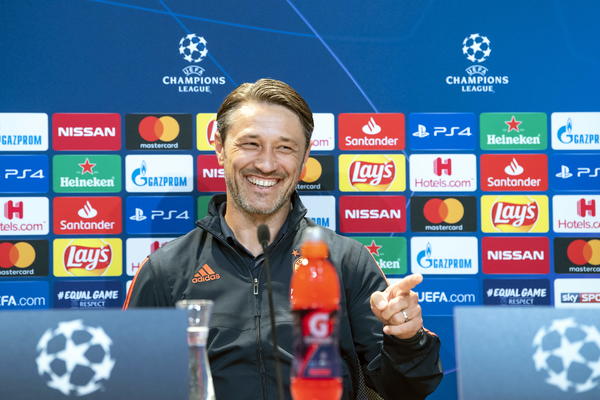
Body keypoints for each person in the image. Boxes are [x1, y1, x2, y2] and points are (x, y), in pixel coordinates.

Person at [124, 78, 443, 399]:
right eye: (250, 144)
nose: (266, 164)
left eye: (285, 147)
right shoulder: (164, 270)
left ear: (305, 158)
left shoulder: (348, 261)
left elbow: (405, 389)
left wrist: (406, 340)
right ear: (219, 147)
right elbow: (128, 384)